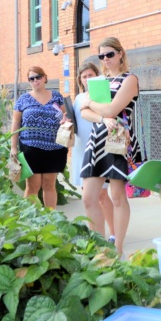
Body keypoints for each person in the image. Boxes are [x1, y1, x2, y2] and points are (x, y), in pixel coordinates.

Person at [77, 37, 142, 257]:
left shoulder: (129, 79)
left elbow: (113, 108)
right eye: (101, 56)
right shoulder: (99, 80)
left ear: (120, 53)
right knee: (88, 197)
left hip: (118, 139)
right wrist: (101, 118)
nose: (105, 59)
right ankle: (99, 248)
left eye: (110, 54)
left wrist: (91, 103)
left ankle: (118, 247)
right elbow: (84, 113)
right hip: (97, 138)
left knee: (116, 196)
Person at [10, 66, 68, 209]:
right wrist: (13, 147)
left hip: (54, 148)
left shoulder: (57, 97)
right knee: (32, 186)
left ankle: (51, 218)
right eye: (32, 78)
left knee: (50, 184)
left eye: (38, 77)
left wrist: (65, 121)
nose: (35, 80)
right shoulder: (23, 99)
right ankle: (29, 220)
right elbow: (16, 122)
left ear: (45, 78)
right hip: (30, 147)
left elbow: (65, 117)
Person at [71, 62, 115, 242]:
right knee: (88, 195)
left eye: (91, 75)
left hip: (99, 148)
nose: (88, 79)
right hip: (82, 149)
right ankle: (96, 234)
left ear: (97, 76)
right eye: (84, 77)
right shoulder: (78, 98)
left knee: (102, 195)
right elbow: (77, 121)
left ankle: (113, 232)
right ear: (80, 80)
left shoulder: (103, 97)